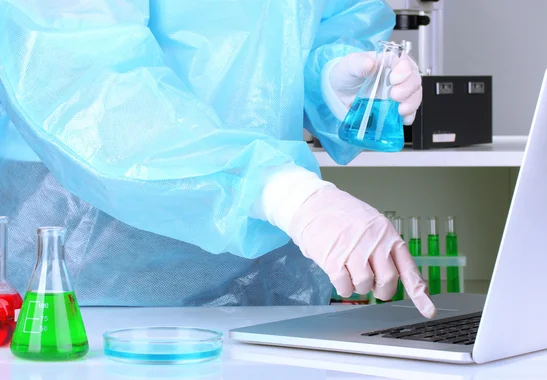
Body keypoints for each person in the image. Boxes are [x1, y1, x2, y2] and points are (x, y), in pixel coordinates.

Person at [0, 0, 436, 318]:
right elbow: (84, 84)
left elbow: (320, 25)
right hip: (101, 259)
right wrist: (282, 190)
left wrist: (331, 79)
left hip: (270, 260)